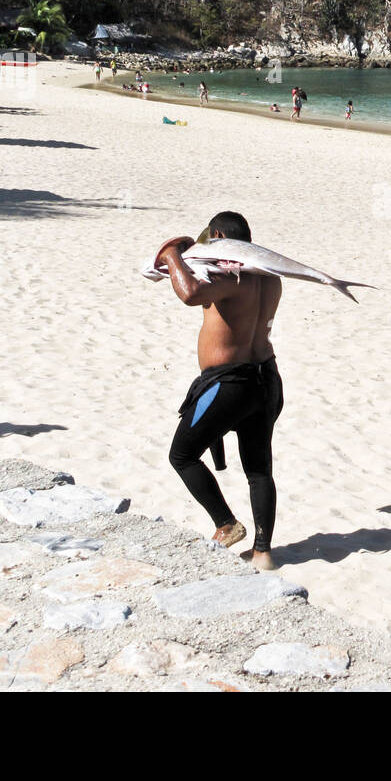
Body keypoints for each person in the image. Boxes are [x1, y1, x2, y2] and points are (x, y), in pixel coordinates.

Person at [157, 212, 284, 571]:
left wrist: (170, 255)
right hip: (266, 379)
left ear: (217, 236)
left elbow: (190, 293)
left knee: (181, 456)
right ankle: (263, 553)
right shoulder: (269, 277)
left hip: (230, 385)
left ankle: (226, 523)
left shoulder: (231, 276)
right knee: (259, 468)